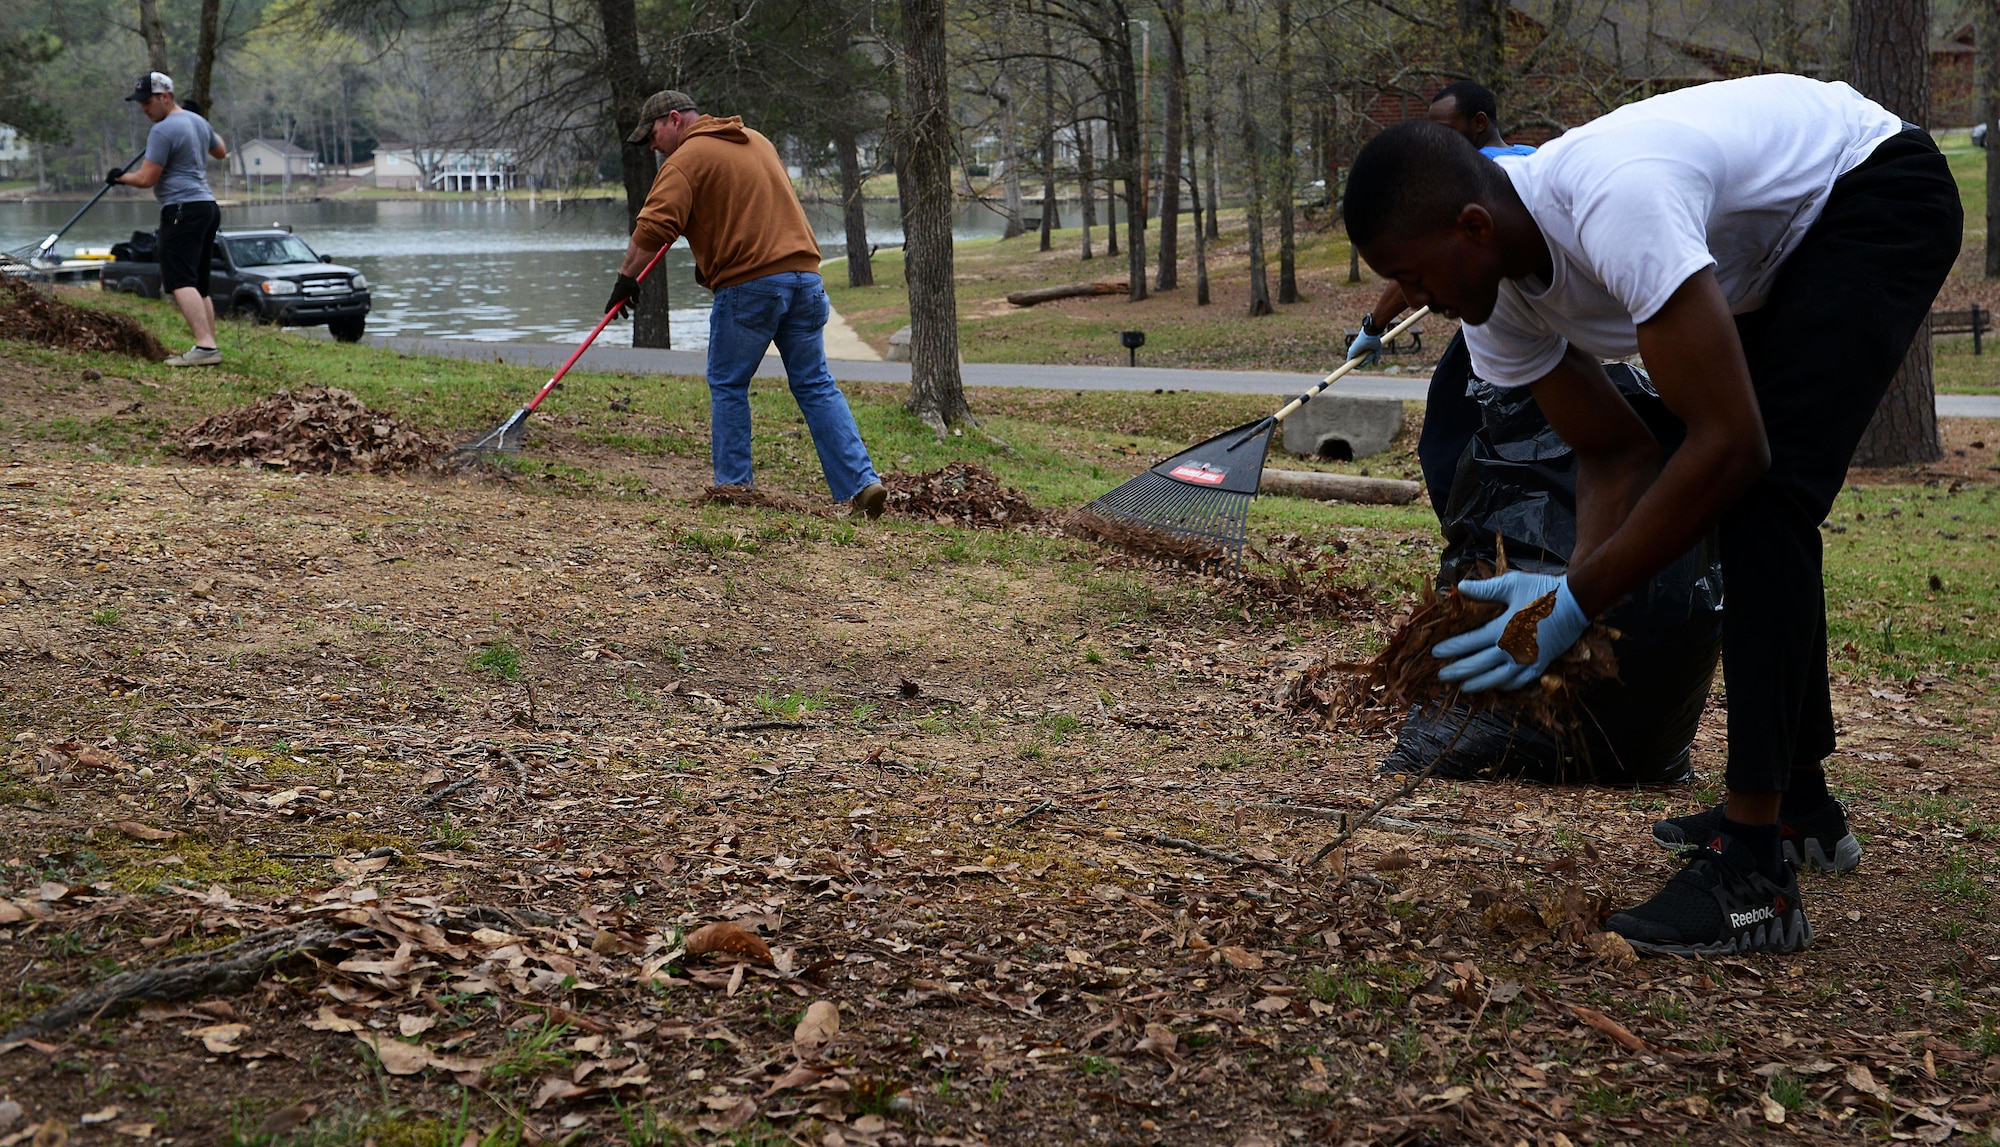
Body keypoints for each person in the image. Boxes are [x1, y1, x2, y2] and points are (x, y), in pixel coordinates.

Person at [1342, 73, 1960, 955]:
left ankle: (1756, 876)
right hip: (1772, 253)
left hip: (1868, 184)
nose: (1417, 300)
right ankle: (1805, 807)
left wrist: (1581, 597)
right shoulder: (1494, 304)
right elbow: (1612, 448)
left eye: (1414, 276)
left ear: (1471, 227)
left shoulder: (1613, 199)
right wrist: (1572, 596)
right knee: (1755, 501)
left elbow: (1732, 445)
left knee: (1761, 495)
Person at [606, 90, 887, 517]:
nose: (651, 145)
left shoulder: (686, 158)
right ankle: (862, 483)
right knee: (814, 384)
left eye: (652, 133)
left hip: (751, 284)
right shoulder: (756, 140)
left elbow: (653, 227)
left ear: (675, 119)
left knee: (728, 383)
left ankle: (733, 489)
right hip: (806, 279)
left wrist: (626, 279)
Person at [1347, 81, 1534, 517]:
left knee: (1444, 447)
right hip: (1541, 319)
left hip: (1499, 328)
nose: (1439, 141)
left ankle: (1475, 544)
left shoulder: (1472, 175)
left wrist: (1373, 325)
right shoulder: (1530, 157)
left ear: (1479, 123)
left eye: (1447, 129)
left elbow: (1416, 265)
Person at [110, 72, 228, 368]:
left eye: (148, 102)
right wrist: (198, 119)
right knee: (199, 283)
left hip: (181, 209)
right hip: (207, 207)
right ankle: (209, 344)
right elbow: (221, 151)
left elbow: (147, 178)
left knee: (178, 278)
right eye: (140, 103)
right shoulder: (196, 121)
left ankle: (205, 346)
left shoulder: (163, 131)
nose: (144, 109)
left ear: (165, 97)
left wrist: (120, 178)